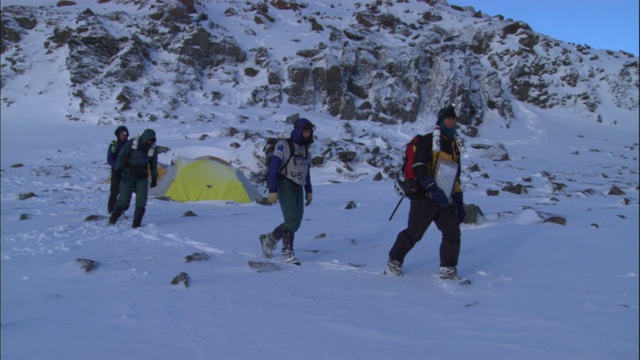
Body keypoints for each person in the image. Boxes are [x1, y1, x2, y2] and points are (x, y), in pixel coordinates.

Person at [384, 105, 467, 279]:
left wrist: (458, 200)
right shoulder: (428, 140)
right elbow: (419, 167)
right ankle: (394, 262)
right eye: (448, 119)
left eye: (454, 119)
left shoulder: (454, 146)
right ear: (441, 121)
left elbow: (455, 175)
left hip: (446, 198)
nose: (452, 122)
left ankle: (448, 269)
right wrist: (432, 188)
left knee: (452, 234)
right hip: (425, 197)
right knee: (414, 233)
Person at [259, 118, 315, 265]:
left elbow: (306, 172)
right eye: (305, 131)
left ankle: (270, 238)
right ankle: (287, 253)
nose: (307, 134)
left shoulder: (306, 150)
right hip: (285, 183)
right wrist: (273, 189)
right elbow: (274, 167)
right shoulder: (284, 145)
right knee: (291, 220)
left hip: (298, 186)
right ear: (298, 131)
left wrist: (308, 191)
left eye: (309, 132)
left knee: (296, 222)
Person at [109, 129, 158, 228]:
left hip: (142, 176)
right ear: (145, 137)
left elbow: (153, 164)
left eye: (152, 140)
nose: (150, 142)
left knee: (142, 200)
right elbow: (121, 156)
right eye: (149, 140)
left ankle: (136, 224)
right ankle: (113, 218)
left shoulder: (153, 148)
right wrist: (117, 170)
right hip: (129, 174)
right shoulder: (132, 143)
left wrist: (154, 178)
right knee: (123, 199)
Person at [107, 125, 129, 214]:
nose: (123, 136)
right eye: (121, 134)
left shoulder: (130, 145)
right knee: (114, 191)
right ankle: (112, 210)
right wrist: (116, 166)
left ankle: (122, 209)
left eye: (125, 134)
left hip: (128, 171)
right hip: (116, 171)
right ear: (118, 135)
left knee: (126, 191)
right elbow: (110, 158)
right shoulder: (114, 145)